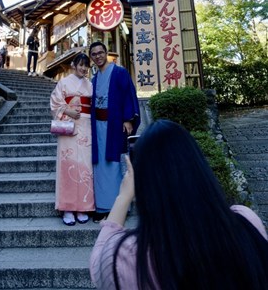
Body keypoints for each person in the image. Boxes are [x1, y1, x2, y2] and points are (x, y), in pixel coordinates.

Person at [90, 119, 268, 289]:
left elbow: (99, 267)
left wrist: (123, 197)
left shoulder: (129, 257)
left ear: (145, 183)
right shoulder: (245, 222)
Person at [89, 41, 140, 223]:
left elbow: (128, 94)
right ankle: (102, 207)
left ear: (106, 53)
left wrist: (127, 119)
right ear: (91, 57)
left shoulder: (119, 73)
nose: (98, 56)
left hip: (114, 124)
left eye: (100, 52)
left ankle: (116, 206)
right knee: (99, 165)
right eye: (94, 54)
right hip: (97, 125)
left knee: (113, 164)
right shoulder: (93, 79)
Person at [50, 52, 94, 226]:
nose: (83, 68)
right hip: (68, 126)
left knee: (85, 165)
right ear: (73, 65)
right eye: (80, 64)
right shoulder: (64, 82)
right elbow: (54, 101)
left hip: (86, 126)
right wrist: (67, 111)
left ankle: (82, 207)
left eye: (86, 65)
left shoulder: (90, 84)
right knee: (68, 165)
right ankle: (67, 208)